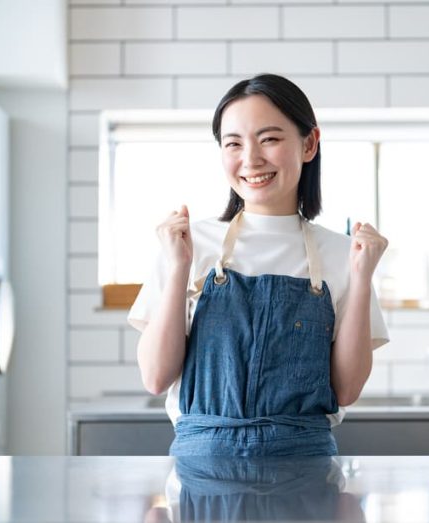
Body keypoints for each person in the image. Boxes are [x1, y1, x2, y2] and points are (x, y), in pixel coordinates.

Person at [128, 73, 389, 457]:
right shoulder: (186, 244)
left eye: (269, 139)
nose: (251, 159)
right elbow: (155, 377)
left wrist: (363, 278)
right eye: (234, 143)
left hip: (306, 474)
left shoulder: (344, 255)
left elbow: (346, 389)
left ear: (309, 143)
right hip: (202, 474)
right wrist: (179, 267)